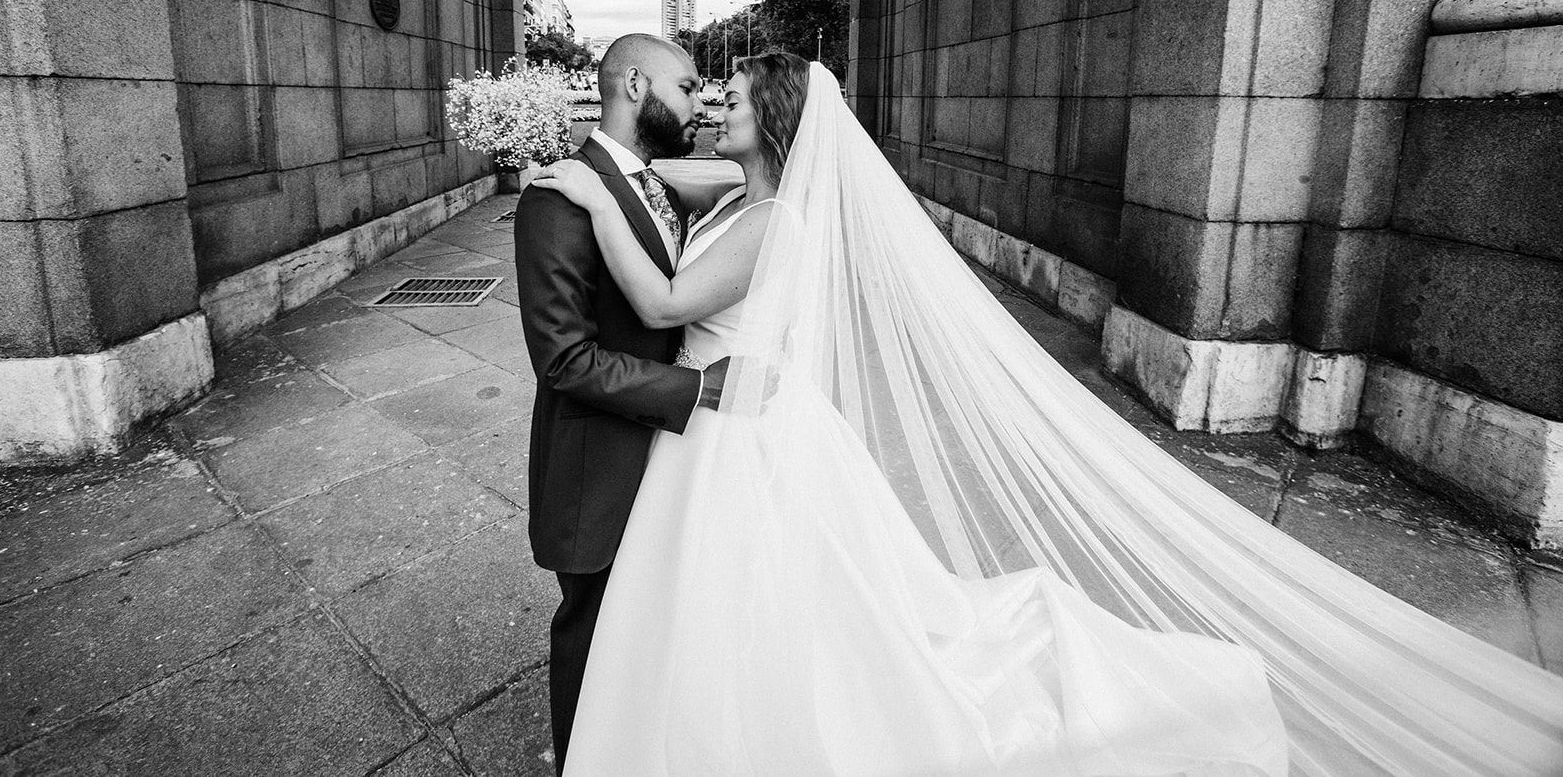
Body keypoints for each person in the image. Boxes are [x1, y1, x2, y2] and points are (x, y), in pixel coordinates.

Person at [529, 53, 1563, 775]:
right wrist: (629, 166)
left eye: (739, 100)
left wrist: (578, 183)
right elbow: (677, 171)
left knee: (755, 604)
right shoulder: (742, 195)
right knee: (721, 599)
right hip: (721, 423)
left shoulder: (774, 220)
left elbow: (666, 303)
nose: (717, 107)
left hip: (737, 429)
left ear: (777, 124)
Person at [512, 33, 742, 770]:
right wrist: (694, 387)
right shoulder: (558, 198)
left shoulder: (660, 188)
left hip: (668, 460)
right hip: (598, 467)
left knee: (648, 633)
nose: (699, 104)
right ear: (636, 84)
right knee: (592, 634)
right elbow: (564, 359)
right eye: (689, 88)